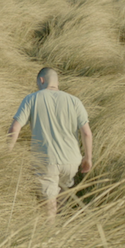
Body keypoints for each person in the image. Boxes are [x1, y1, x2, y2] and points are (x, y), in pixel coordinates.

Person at [7, 68, 93, 219]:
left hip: (46, 160)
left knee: (49, 207)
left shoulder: (31, 99)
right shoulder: (74, 101)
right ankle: (61, 226)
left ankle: (50, 232)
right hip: (71, 161)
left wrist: (7, 153)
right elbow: (86, 133)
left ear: (41, 80)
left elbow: (15, 128)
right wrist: (88, 158)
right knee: (61, 199)